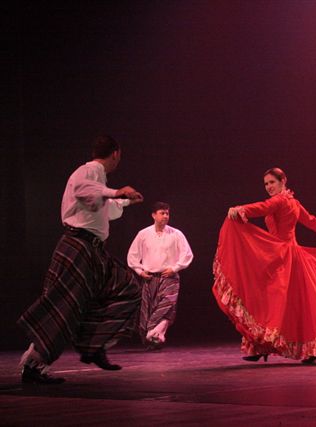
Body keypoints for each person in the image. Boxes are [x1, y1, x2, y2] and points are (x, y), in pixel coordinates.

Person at [212, 168, 316, 365]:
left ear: (283, 181)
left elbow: (264, 207)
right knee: (283, 304)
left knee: (273, 302)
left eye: (272, 182)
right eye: (266, 184)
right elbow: (313, 222)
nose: (269, 187)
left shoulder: (281, 200)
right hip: (283, 255)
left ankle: (269, 346)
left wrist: (241, 209)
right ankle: (265, 346)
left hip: (283, 257)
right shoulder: (293, 202)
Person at [17, 135, 144, 384]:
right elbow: (84, 190)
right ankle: (33, 364)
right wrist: (116, 191)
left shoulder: (99, 181)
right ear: (116, 153)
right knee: (64, 307)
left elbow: (102, 208)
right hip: (78, 246)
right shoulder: (89, 170)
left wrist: (123, 201)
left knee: (127, 287)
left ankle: (93, 344)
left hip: (92, 249)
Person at [127, 202, 194, 349]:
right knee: (150, 309)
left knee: (166, 306)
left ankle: (153, 334)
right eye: (162, 213)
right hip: (150, 278)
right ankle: (155, 338)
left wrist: (175, 268)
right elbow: (132, 256)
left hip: (169, 277)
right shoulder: (143, 234)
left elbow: (187, 254)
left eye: (167, 213)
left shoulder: (176, 234)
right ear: (153, 215)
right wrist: (140, 271)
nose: (165, 216)